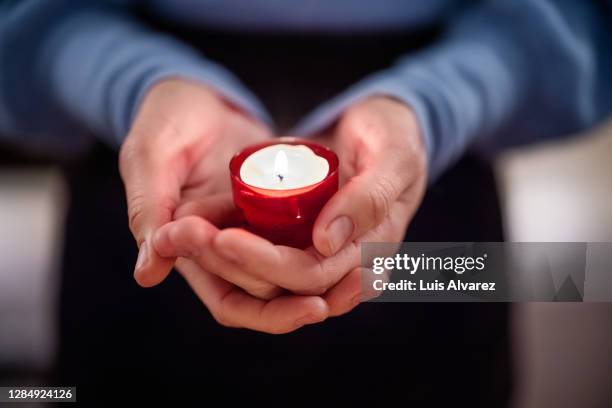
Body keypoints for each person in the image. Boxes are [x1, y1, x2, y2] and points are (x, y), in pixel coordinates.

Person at [1, 0, 611, 405]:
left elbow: (584, 21)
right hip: (160, 168)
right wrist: (129, 83)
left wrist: (433, 106)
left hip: (429, 178)